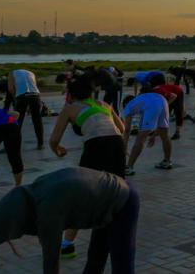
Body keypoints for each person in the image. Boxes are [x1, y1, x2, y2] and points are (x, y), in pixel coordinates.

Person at [0, 166, 139, 274]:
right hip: (108, 195)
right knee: (95, 258)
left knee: (122, 265)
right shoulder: (37, 190)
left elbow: (51, 259)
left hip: (123, 201)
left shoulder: (48, 209)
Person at [47, 76, 126, 259]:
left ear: (71, 95)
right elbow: (121, 128)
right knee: (116, 191)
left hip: (96, 147)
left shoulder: (69, 109)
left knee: (83, 194)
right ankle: (117, 237)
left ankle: (67, 245)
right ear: (92, 92)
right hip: (117, 145)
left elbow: (54, 139)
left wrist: (56, 149)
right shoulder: (104, 105)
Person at [121, 92, 172, 175]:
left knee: (140, 138)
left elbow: (127, 130)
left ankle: (129, 167)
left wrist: (124, 146)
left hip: (153, 104)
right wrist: (153, 135)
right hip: (163, 100)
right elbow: (153, 126)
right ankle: (167, 161)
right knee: (165, 134)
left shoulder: (128, 106)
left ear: (125, 103)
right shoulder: (141, 101)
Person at [8, 69, 44, 149]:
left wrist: (15, 99)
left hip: (22, 96)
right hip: (35, 96)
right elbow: (34, 87)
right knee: (37, 120)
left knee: (17, 122)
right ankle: (40, 144)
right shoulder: (31, 73)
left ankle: (13, 145)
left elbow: (10, 88)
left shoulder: (12, 73)